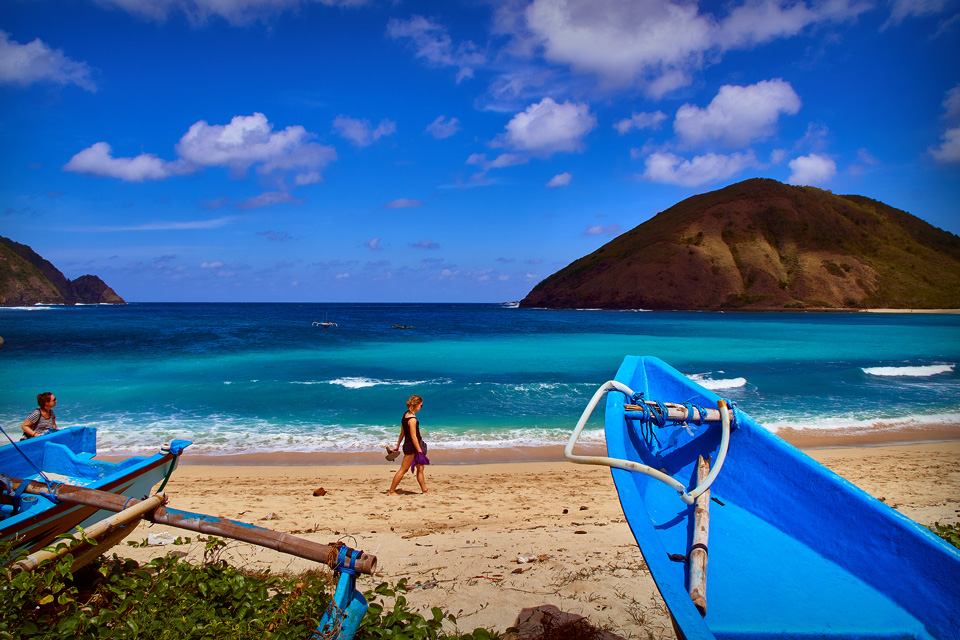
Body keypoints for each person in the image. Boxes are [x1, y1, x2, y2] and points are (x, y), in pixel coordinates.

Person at [388, 394, 431, 495]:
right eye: (421, 405)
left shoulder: (405, 415)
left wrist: (397, 445)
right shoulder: (412, 419)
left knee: (420, 467)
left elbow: (402, 433)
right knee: (403, 469)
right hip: (412, 447)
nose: (421, 407)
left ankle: (425, 490)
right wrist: (419, 451)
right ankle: (391, 491)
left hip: (409, 445)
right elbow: (413, 437)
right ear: (416, 405)